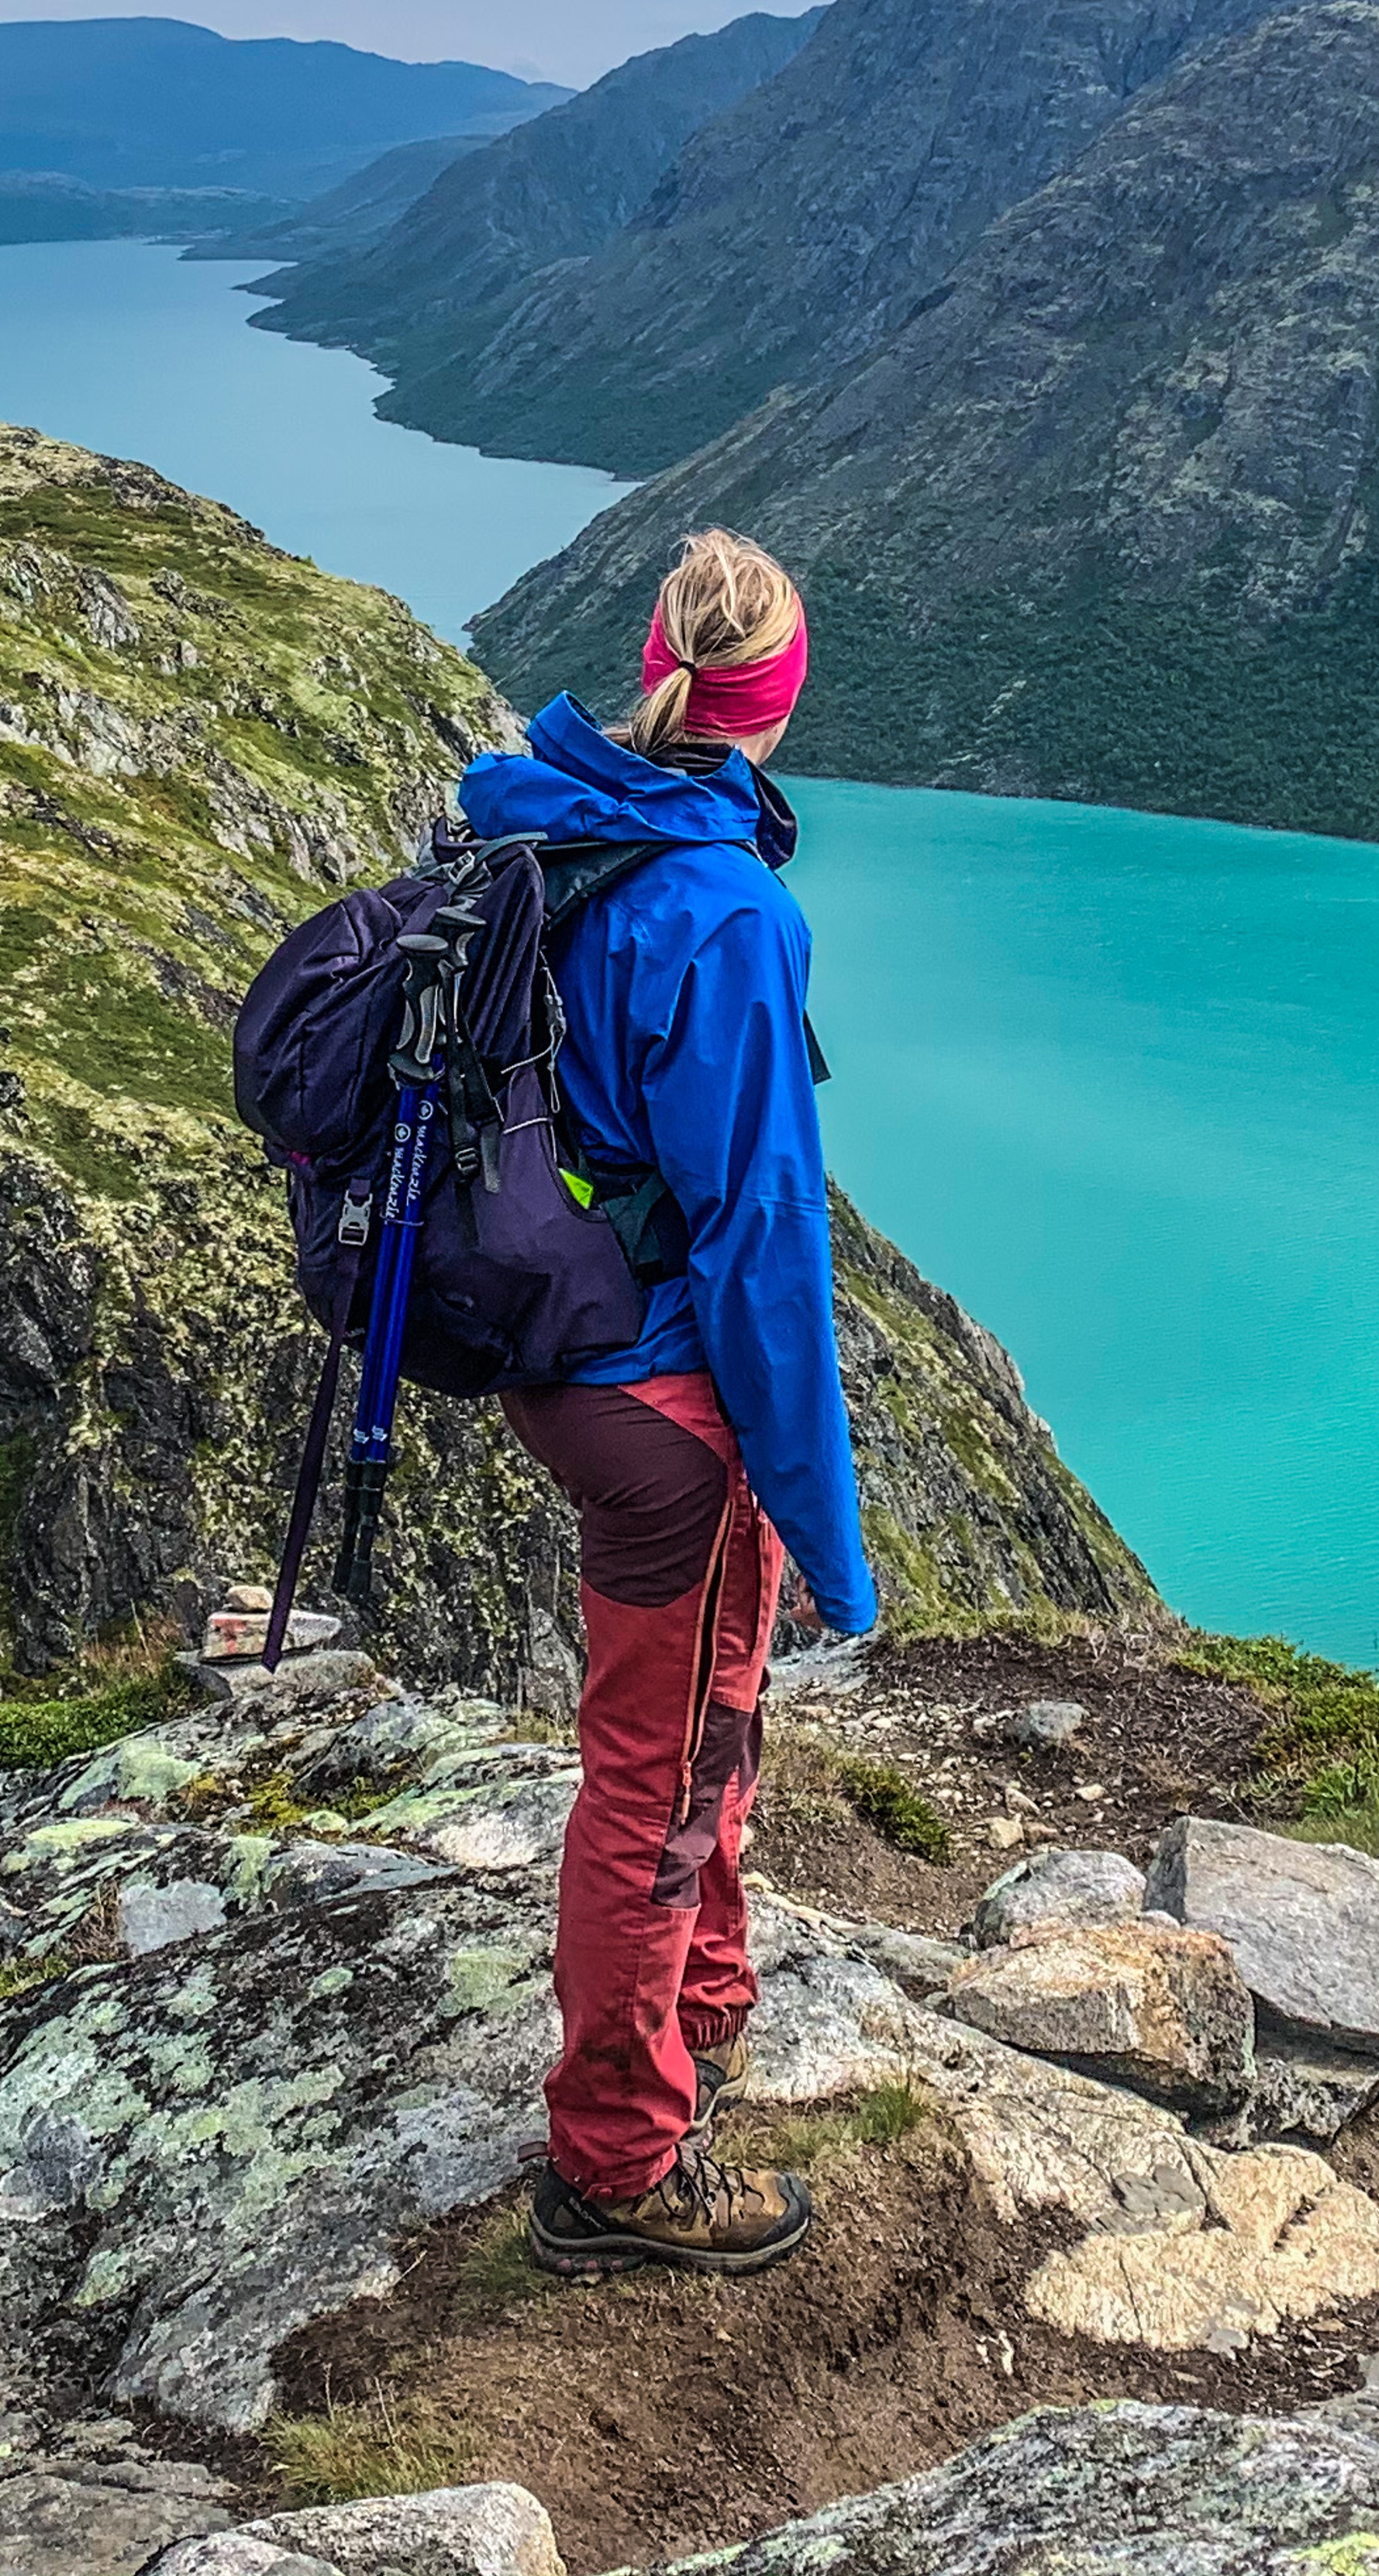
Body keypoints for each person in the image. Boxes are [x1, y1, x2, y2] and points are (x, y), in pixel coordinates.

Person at [460, 526, 875, 2279]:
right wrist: (829, 1530)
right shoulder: (722, 910)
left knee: (691, 1731)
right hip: (668, 1411)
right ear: (776, 698)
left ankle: (704, 1999)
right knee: (658, 1776)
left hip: (568, 1356)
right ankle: (618, 2162)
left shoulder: (554, 819)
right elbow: (763, 1239)